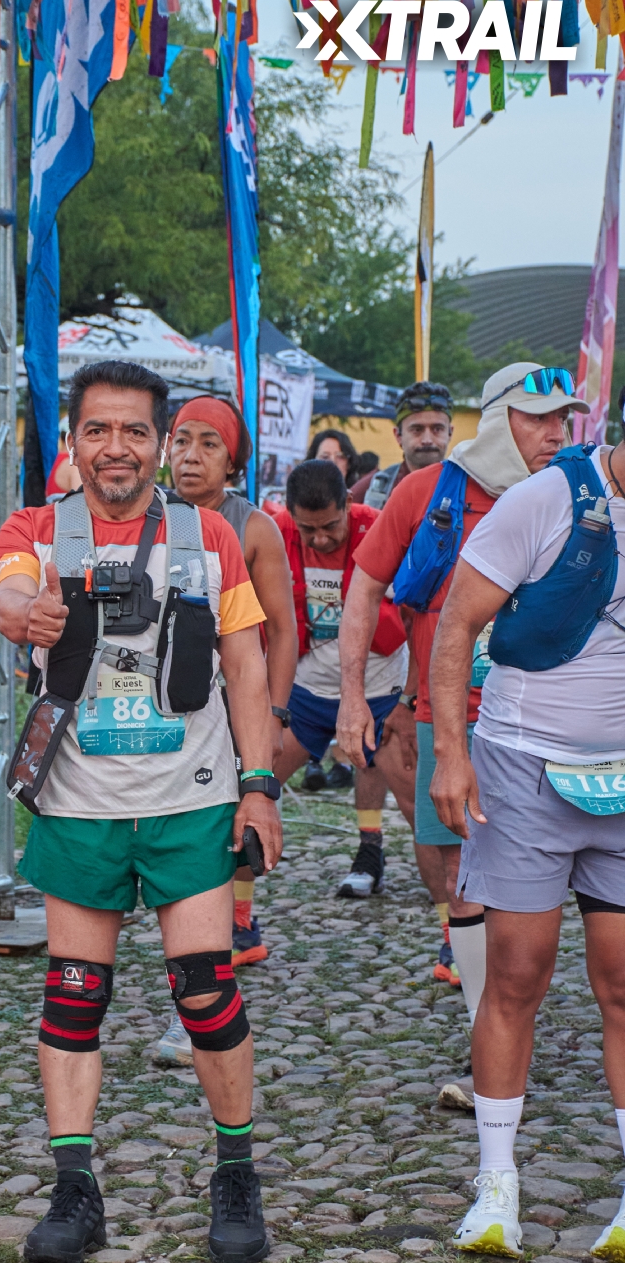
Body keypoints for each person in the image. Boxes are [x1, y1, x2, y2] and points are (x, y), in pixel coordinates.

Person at [0, 359, 282, 1263]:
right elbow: (9, 592)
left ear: (160, 443)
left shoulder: (209, 535)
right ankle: (74, 1188)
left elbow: (245, 665)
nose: (115, 448)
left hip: (189, 799)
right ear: (72, 442)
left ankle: (235, 1172)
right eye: (97, 430)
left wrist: (261, 785)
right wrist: (26, 615)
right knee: (74, 994)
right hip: (80, 804)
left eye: (133, 431)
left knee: (205, 988)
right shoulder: (37, 530)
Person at [424, 371, 625, 1261]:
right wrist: (452, 754)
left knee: (624, 984)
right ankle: (497, 1186)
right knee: (515, 973)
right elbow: (456, 629)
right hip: (524, 767)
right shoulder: (545, 501)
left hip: (623, 786)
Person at [338, 363, 574, 1027]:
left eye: (563, 418)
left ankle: (508, 1008)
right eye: (539, 417)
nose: (557, 432)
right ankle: (484, 1023)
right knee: (455, 871)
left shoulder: (572, 492)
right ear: (498, 419)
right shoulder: (425, 491)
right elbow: (364, 588)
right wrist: (352, 696)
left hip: (542, 722)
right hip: (448, 717)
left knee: (539, 879)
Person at [154, 394, 297, 1064]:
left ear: (233, 459)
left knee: (210, 855)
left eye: (208, 443)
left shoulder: (253, 527)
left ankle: (193, 1011)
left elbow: (283, 631)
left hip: (230, 712)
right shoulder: (141, 516)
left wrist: (274, 713)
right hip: (158, 720)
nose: (190, 456)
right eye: (181, 440)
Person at [273, 459, 417, 899]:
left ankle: (379, 857)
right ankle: (236, 919)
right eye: (307, 529)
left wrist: (410, 698)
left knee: (417, 804)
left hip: (381, 687)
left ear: (349, 503)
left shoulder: (382, 528)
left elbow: (421, 616)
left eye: (330, 526)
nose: (319, 539)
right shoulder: (274, 532)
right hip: (307, 690)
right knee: (254, 785)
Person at [351, 382, 454, 508]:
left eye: (437, 429)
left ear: (450, 433)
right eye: (417, 430)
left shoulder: (467, 487)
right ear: (398, 435)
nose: (427, 440)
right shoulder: (370, 492)